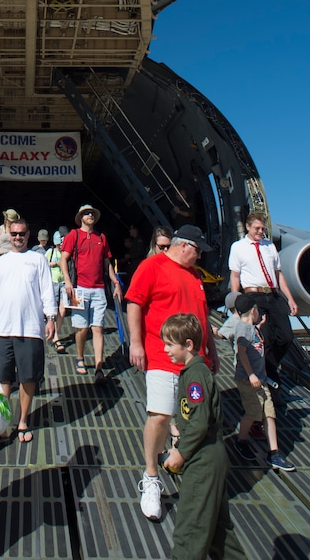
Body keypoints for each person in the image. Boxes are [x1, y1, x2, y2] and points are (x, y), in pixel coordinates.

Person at [125, 224, 219, 522]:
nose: (200, 257)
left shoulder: (195, 277)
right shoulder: (152, 266)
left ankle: (183, 465)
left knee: (195, 420)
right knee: (161, 415)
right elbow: (135, 303)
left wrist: (211, 352)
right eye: (198, 251)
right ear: (184, 246)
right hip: (161, 354)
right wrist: (136, 343)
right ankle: (151, 476)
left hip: (195, 363)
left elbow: (203, 318)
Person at [161, 314, 247, 560]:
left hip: (202, 461)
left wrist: (181, 452)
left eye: (170, 344)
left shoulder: (196, 375)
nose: (165, 349)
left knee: (190, 534)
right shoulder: (194, 372)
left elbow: (199, 422)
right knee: (220, 535)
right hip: (210, 457)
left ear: (188, 345)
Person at [0, 218, 56, 442]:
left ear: (28, 234)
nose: (17, 237)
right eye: (14, 234)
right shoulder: (2, 261)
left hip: (30, 329)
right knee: (3, 379)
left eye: (21, 234)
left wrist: (51, 318)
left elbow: (47, 290)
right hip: (2, 330)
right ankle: (3, 424)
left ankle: (23, 421)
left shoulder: (38, 259)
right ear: (9, 235)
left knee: (27, 378)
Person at [228, 211, 297, 381]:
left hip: (273, 294)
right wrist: (236, 302)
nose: (260, 232)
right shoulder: (238, 247)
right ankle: (271, 381)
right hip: (254, 296)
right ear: (248, 227)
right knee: (263, 339)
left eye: (263, 229)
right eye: (257, 228)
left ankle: (269, 368)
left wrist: (290, 298)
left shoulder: (269, 246)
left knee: (286, 337)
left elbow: (279, 274)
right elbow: (235, 276)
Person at [60, 204, 122, 385]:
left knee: (98, 328)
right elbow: (64, 258)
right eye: (86, 213)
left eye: (92, 213)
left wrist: (116, 283)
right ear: (80, 218)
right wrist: (68, 282)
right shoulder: (74, 235)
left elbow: (107, 262)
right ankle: (80, 357)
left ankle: (98, 366)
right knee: (81, 329)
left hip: (98, 289)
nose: (90, 215)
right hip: (78, 288)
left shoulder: (101, 237)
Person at [232, 294, 295, 470]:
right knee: (253, 413)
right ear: (253, 310)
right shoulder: (243, 329)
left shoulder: (251, 328)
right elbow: (242, 352)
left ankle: (274, 452)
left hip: (260, 380)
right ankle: (241, 440)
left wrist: (259, 327)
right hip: (248, 380)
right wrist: (251, 374)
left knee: (269, 414)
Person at [46, 231, 68, 351]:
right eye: (59, 244)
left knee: (63, 310)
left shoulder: (65, 253)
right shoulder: (51, 252)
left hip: (64, 282)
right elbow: (44, 264)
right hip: (53, 282)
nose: (60, 246)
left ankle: (56, 332)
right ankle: (56, 337)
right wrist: (55, 263)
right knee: (54, 310)